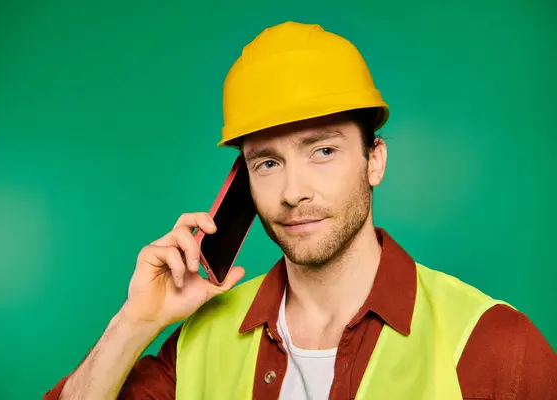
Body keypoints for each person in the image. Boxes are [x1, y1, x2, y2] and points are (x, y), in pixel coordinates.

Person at [44, 21, 557, 400]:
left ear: (373, 160)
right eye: (267, 163)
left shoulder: (496, 346)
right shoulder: (198, 344)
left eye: (323, 151)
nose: (293, 191)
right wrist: (136, 320)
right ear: (243, 182)